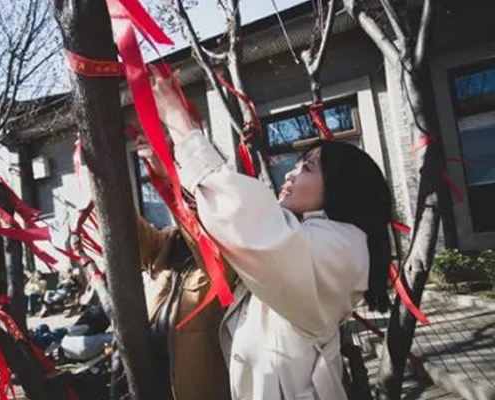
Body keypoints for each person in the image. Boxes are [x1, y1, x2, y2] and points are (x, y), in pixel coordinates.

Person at [150, 72, 392, 400]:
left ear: (342, 187)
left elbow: (249, 225)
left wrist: (182, 126)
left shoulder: (344, 246)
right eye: (297, 163)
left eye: (307, 167)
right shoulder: (320, 236)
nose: (290, 173)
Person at [135, 211, 231, 400]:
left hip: (198, 390)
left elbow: (210, 252)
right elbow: (133, 234)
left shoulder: (224, 255)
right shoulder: (173, 244)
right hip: (156, 384)